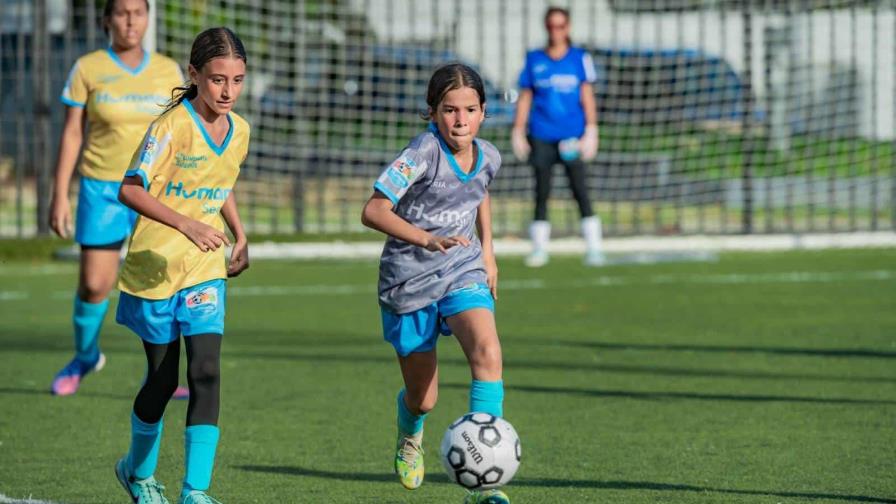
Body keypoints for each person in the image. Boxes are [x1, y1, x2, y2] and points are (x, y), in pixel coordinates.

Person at [112, 27, 250, 504]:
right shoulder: (170, 126)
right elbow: (129, 189)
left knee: (206, 371)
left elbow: (221, 180)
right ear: (194, 76)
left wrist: (239, 231)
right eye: (217, 80)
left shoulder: (241, 131)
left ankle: (195, 490)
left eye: (237, 80)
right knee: (164, 379)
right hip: (155, 270)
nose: (228, 91)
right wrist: (188, 224)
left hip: (205, 269)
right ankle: (139, 473)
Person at [361, 63, 510, 504]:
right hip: (408, 280)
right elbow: (373, 210)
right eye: (449, 110)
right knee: (424, 398)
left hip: (462, 270)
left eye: (469, 109)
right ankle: (410, 433)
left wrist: (487, 251)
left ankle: (485, 483)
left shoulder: (490, 155)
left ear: (483, 112)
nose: (460, 119)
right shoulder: (422, 152)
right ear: (432, 113)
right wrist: (426, 238)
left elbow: (478, 192)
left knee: (487, 350)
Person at [49, 0, 188, 397]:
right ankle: (85, 356)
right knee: (94, 285)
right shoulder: (87, 68)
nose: (131, 20)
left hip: (153, 192)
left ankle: (161, 374)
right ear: (107, 19)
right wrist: (60, 195)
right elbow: (72, 133)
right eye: (122, 12)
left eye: (139, 12)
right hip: (101, 190)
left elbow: (179, 133)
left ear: (148, 18)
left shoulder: (168, 71)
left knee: (160, 285)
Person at [511, 5, 605, 268]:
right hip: (542, 134)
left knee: (580, 189)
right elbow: (525, 97)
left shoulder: (579, 58)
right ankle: (539, 248)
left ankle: (594, 247)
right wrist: (518, 130)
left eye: (561, 26)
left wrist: (591, 129)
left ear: (568, 28)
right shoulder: (534, 59)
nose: (556, 31)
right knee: (541, 190)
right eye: (552, 26)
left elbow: (587, 95)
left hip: (572, 135)